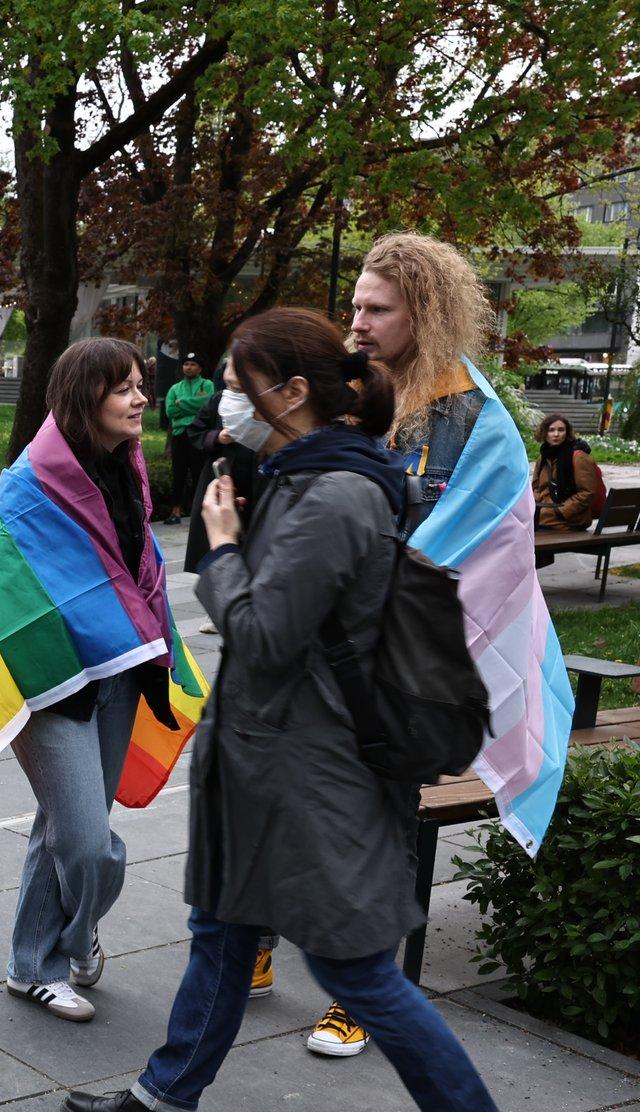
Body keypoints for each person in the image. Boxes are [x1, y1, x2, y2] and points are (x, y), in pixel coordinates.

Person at [61, 307, 543, 1112]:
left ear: (291, 394)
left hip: (304, 769)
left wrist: (227, 549)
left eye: (242, 386)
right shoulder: (318, 474)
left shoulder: (332, 496)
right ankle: (167, 1101)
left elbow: (263, 634)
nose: (226, 402)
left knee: (354, 966)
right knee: (222, 926)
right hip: (276, 760)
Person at [276, 232, 575, 1057]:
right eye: (356, 306)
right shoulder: (355, 387)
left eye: (377, 309)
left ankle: (361, 993)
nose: (358, 321)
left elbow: (470, 544)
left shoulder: (472, 418)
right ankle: (258, 932)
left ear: (425, 312)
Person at [0, 338, 203, 1023]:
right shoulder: (28, 486)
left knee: (61, 825)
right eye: (125, 389)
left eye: (141, 385)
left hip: (117, 673)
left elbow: (137, 568)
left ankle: (35, 965)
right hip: (51, 685)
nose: (143, 398)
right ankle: (76, 935)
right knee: (84, 840)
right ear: (86, 399)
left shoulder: (129, 467)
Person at [162, 353, 214, 524]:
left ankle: (199, 511)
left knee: (199, 472)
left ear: (199, 368)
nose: (188, 367)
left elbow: (207, 404)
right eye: (186, 364)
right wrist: (192, 406)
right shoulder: (175, 388)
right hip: (180, 435)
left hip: (198, 435)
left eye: (192, 364)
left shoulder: (207, 385)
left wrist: (182, 402)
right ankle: (175, 511)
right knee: (179, 473)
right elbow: (170, 411)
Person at [531, 413, 603, 532]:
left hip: (570, 517)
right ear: (545, 433)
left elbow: (587, 492)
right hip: (546, 510)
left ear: (567, 433)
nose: (556, 434)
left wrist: (561, 511)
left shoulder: (578, 457)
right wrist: (536, 501)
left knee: (524, 523)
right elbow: (536, 487)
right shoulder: (544, 457)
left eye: (561, 430)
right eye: (551, 430)